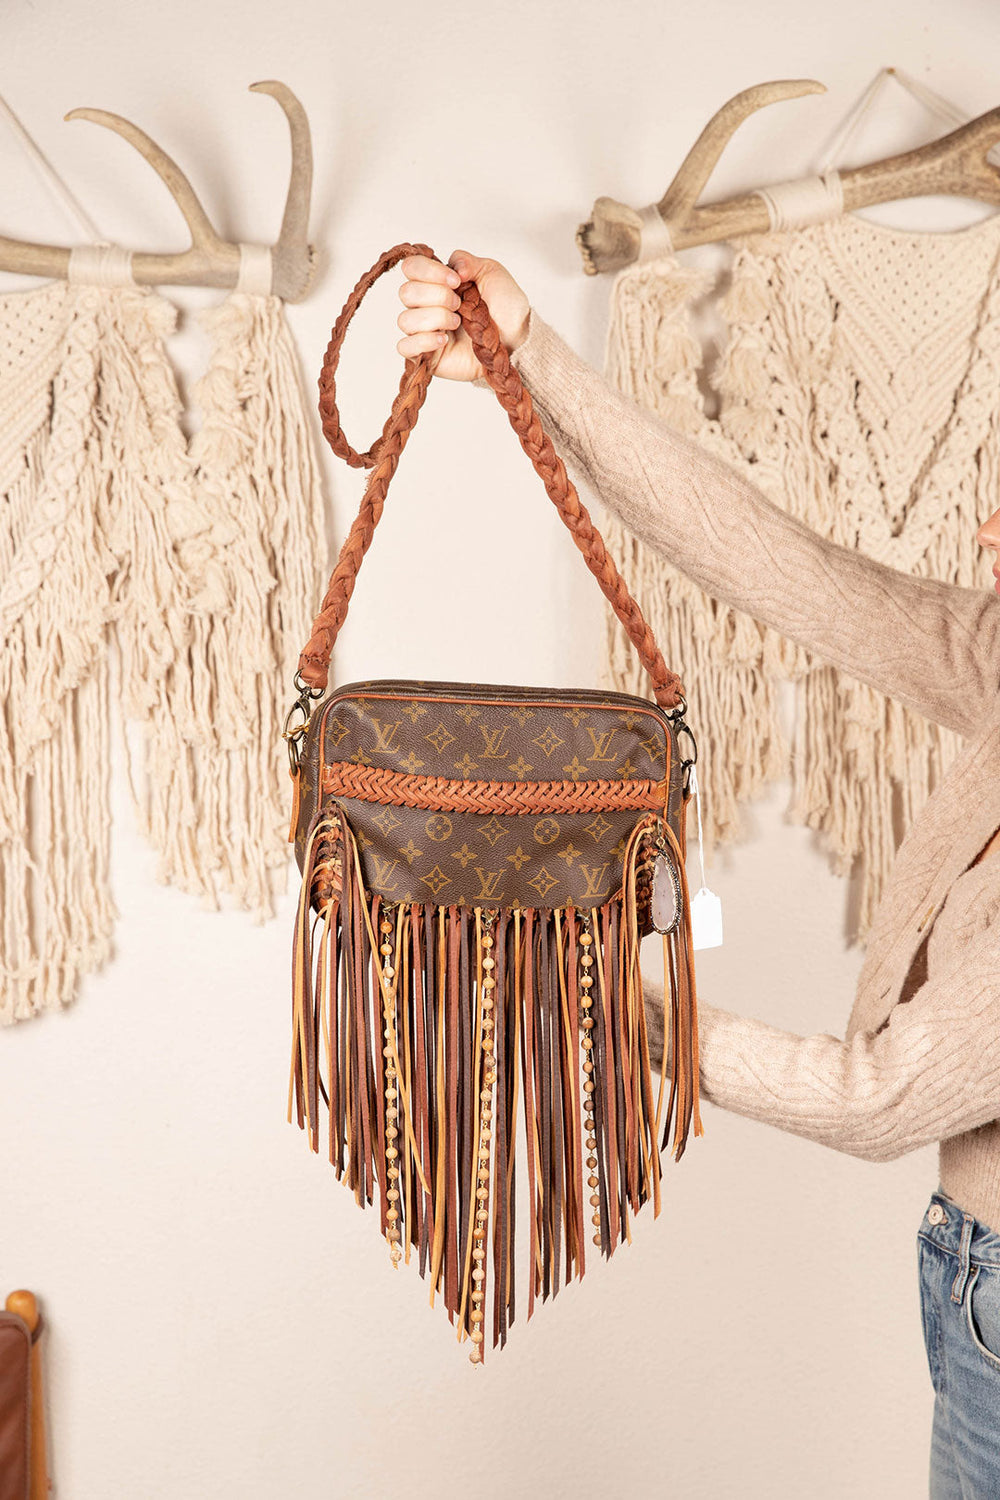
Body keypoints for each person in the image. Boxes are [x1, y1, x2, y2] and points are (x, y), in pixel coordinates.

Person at [395, 250, 1000, 1498]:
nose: (988, 529)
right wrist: (530, 360)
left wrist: (613, 1005)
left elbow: (875, 1097)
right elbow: (777, 563)